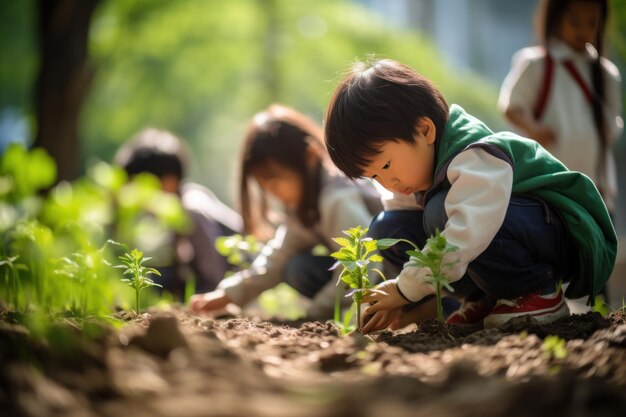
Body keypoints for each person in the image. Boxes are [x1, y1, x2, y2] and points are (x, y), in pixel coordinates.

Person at [323, 58, 617, 333]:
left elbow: (470, 229)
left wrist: (404, 288)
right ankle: (483, 296)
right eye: (375, 176)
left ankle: (536, 291)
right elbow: (401, 230)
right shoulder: (416, 175)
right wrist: (395, 298)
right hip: (506, 230)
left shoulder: (474, 154)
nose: (389, 182)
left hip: (557, 234)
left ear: (425, 130)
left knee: (441, 212)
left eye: (387, 165)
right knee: (389, 226)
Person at [189, 104, 385, 320]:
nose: (272, 192)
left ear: (310, 156)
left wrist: (315, 314)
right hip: (369, 278)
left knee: (317, 269)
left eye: (275, 181)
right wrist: (227, 294)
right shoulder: (304, 205)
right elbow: (277, 257)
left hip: (394, 274)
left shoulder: (337, 198)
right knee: (297, 269)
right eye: (264, 185)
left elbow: (363, 263)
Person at [498, 0, 622, 216]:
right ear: (556, 19)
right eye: (574, 21)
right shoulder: (536, 64)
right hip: (547, 189)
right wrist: (533, 128)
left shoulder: (607, 74)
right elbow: (510, 106)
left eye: (591, 23)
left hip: (596, 192)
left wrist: (606, 127)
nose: (583, 31)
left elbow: (614, 123)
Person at [114, 128, 243, 299]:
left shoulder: (191, 207)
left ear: (169, 181)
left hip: (241, 274)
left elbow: (213, 271)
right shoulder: (169, 210)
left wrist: (205, 297)